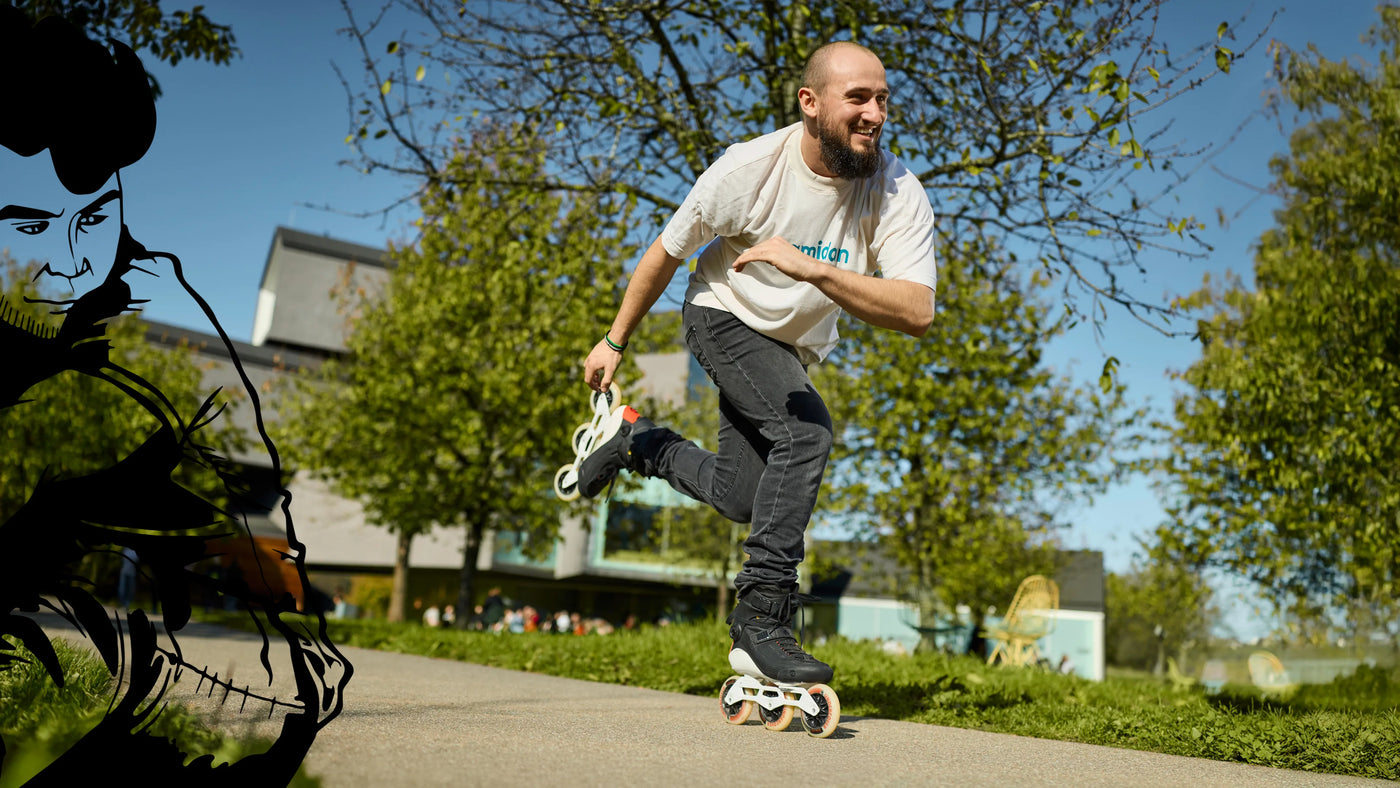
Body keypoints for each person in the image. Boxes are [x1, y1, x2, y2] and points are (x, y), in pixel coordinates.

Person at [579, 41, 936, 685]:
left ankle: (638, 442)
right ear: (810, 102)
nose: (875, 113)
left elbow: (916, 311)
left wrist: (813, 269)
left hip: (790, 345)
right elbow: (665, 253)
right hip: (722, 315)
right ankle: (763, 617)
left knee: (742, 496)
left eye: (883, 99)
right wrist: (616, 339)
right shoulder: (747, 168)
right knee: (807, 432)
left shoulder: (896, 188)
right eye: (858, 97)